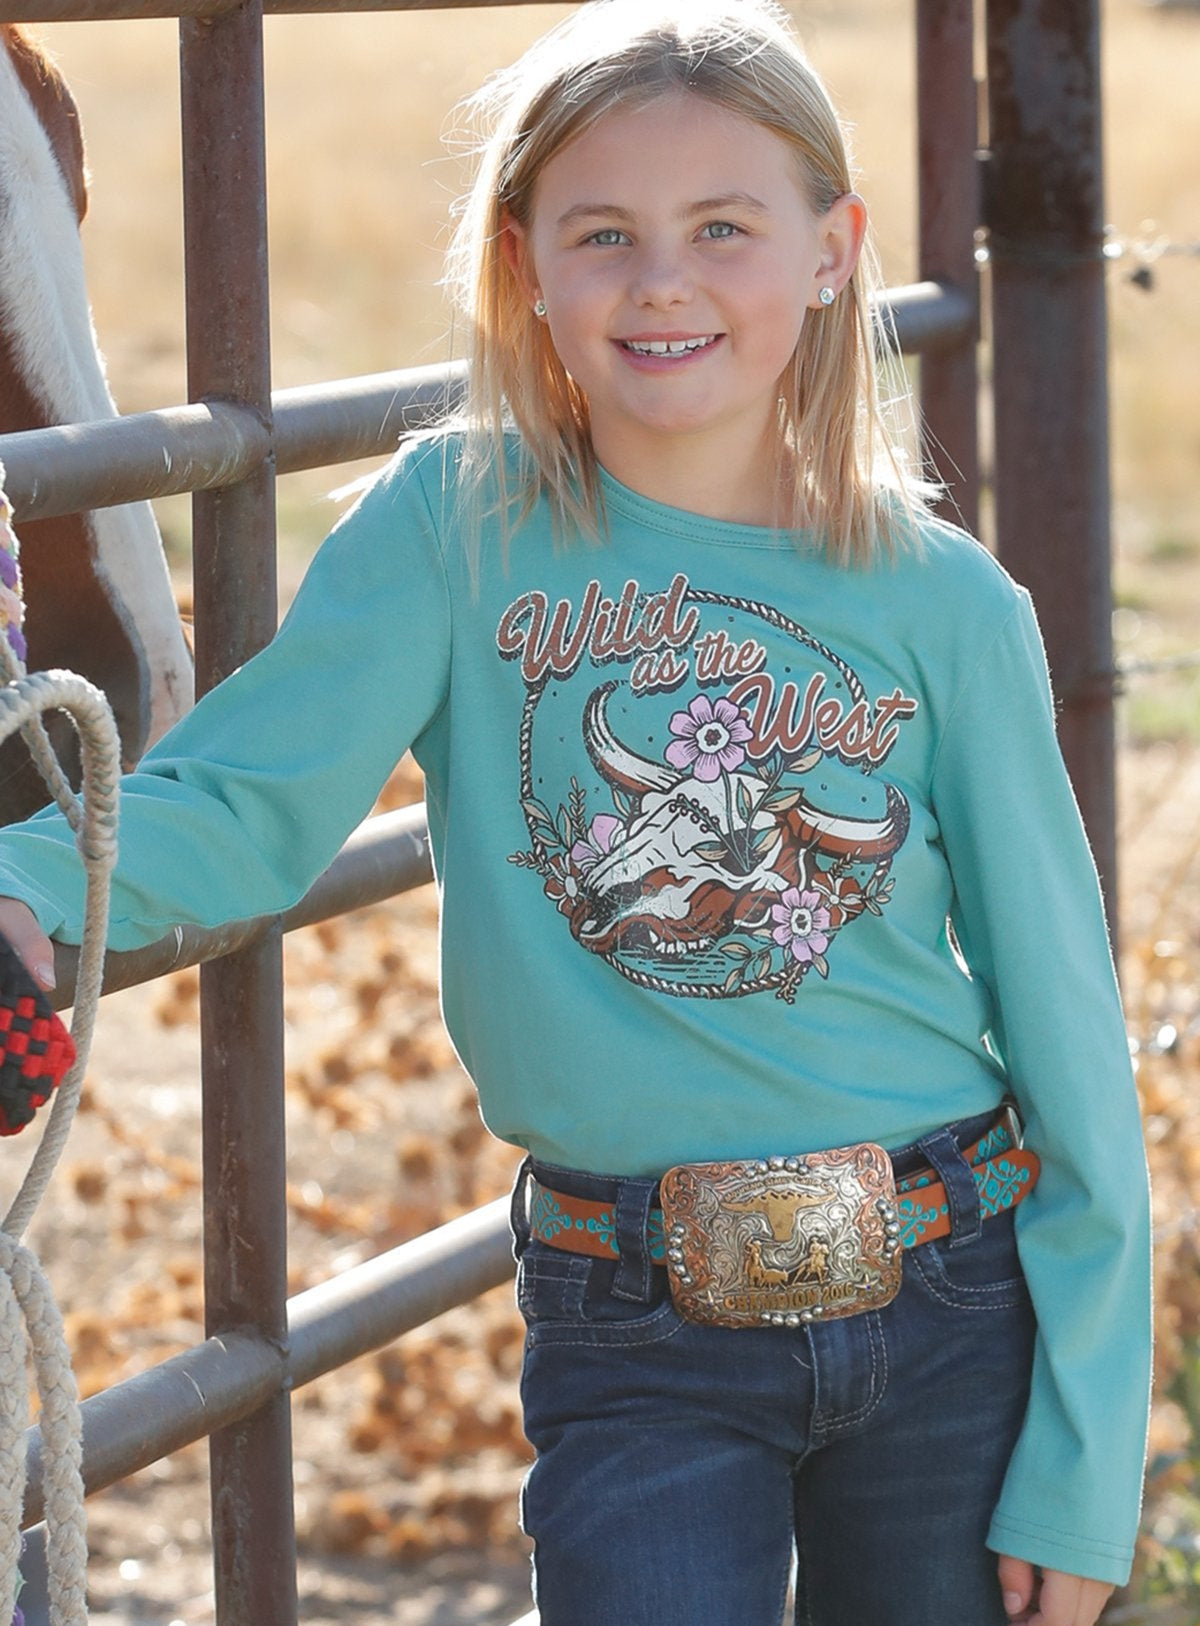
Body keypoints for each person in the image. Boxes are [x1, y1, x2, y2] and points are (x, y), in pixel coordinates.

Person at [0, 4, 1150, 1623]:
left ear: (834, 254)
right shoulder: (450, 529)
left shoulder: (945, 604)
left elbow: (1072, 1044)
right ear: (522, 263)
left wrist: (1089, 1461)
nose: (663, 281)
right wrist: (28, 869)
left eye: (722, 230)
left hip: (946, 1299)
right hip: (635, 1321)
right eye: (603, 232)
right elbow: (247, 799)